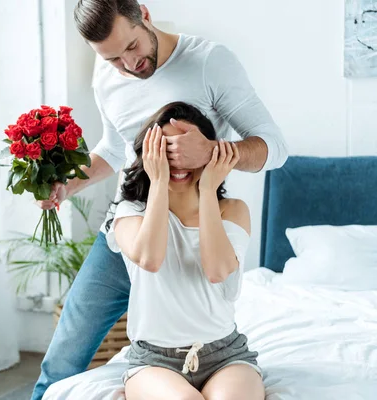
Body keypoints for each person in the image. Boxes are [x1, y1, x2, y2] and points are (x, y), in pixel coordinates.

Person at [32, 1, 288, 399]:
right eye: (113, 58)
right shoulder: (107, 76)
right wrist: (69, 186)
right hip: (132, 227)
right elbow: (116, 150)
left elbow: (274, 147)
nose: (129, 65)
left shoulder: (209, 62)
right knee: (65, 353)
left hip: (191, 226)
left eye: (132, 47)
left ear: (144, 15)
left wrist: (214, 153)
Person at [108, 102, 264, 399]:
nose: (177, 163)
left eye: (185, 152)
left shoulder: (232, 210)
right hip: (155, 361)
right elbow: (150, 259)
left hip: (225, 355)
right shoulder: (130, 212)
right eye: (166, 152)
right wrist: (158, 180)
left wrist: (207, 190)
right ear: (150, 155)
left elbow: (217, 271)